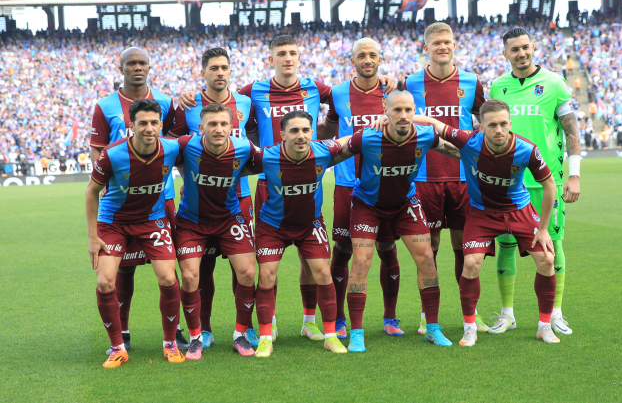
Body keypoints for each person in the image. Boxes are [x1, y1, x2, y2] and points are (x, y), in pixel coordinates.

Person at [179, 35, 396, 342]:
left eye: (292, 52)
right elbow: (222, 107)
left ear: (299, 57)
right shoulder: (252, 92)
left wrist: (384, 80)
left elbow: (353, 92)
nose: (288, 58)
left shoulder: (316, 88)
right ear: (272, 59)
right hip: (268, 184)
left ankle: (309, 321)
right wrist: (190, 95)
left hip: (307, 179)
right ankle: (266, 323)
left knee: (310, 257)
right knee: (262, 262)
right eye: (281, 53)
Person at [412, 98, 560, 346]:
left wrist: (543, 229)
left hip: (519, 210)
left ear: (510, 123)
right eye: (492, 125)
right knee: (470, 263)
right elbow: (433, 123)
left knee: (546, 259)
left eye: (503, 124)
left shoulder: (527, 149)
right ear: (481, 127)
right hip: (482, 213)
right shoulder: (469, 141)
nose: (499, 130)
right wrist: (393, 118)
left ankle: (544, 325)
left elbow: (550, 185)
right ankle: (469, 327)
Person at [344, 88, 460, 353]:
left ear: (415, 111)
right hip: (367, 205)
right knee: (360, 262)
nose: (404, 115)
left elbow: (454, 150)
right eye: (397, 110)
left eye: (408, 109)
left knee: (427, 257)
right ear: (385, 109)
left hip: (405, 204)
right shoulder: (368, 136)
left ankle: (432, 328)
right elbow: (336, 151)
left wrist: (483, 153)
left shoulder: (426, 135)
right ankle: (357, 333)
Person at [89, 47, 189, 354]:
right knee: (123, 270)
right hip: (119, 201)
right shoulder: (105, 106)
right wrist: (105, 182)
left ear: (149, 66)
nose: (137, 67)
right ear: (120, 68)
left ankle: (175, 331)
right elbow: (97, 150)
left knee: (171, 270)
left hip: (161, 200)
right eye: (131, 63)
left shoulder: (166, 102)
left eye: (142, 63)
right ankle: (122, 333)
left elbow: (179, 144)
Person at [489, 27, 581, 336]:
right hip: (507, 182)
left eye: (525, 47)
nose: (521, 53)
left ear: (533, 47)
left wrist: (574, 174)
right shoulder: (498, 86)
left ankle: (555, 314)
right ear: (505, 54)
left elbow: (571, 131)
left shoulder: (554, 83)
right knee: (505, 244)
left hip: (545, 181)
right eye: (514, 49)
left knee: (552, 243)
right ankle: (507, 314)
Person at [170, 47, 258, 349]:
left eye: (224, 68)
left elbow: (254, 140)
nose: (219, 73)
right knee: (201, 269)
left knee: (242, 267)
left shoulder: (246, 101)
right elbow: (175, 147)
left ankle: (245, 328)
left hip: (239, 198)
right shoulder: (188, 104)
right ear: (203, 72)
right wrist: (190, 177)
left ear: (230, 71)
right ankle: (203, 330)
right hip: (199, 199)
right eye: (213, 68)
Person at [244, 110, 351, 357]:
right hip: (273, 226)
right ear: (282, 134)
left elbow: (349, 140)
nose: (300, 135)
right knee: (266, 276)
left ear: (312, 132)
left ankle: (329, 335)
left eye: (305, 130)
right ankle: (265, 337)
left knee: (323, 272)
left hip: (310, 225)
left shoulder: (323, 151)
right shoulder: (266, 157)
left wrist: (379, 121)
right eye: (294, 131)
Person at [404, 22, 487, 333]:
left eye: (447, 42)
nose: (443, 46)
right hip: (425, 176)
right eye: (436, 42)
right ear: (426, 47)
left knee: (465, 247)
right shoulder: (410, 82)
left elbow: (484, 120)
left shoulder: (472, 81)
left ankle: (471, 313)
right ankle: (428, 315)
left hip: (464, 178)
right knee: (430, 247)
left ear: (454, 45)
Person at [316, 37, 402, 339]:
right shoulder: (338, 93)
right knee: (342, 250)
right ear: (352, 61)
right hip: (346, 183)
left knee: (386, 248)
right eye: (361, 55)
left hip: (383, 182)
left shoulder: (393, 90)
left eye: (372, 55)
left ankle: (390, 317)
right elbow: (330, 128)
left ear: (380, 59)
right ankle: (339, 319)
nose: (367, 60)